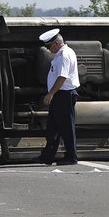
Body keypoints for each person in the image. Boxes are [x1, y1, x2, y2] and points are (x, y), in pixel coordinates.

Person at [32, 28, 80, 165]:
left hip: (63, 95)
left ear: (56, 43)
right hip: (60, 95)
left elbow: (62, 77)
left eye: (49, 46)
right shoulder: (62, 54)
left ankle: (71, 157)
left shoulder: (64, 55)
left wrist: (51, 93)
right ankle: (47, 157)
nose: (48, 49)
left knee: (66, 128)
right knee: (53, 128)